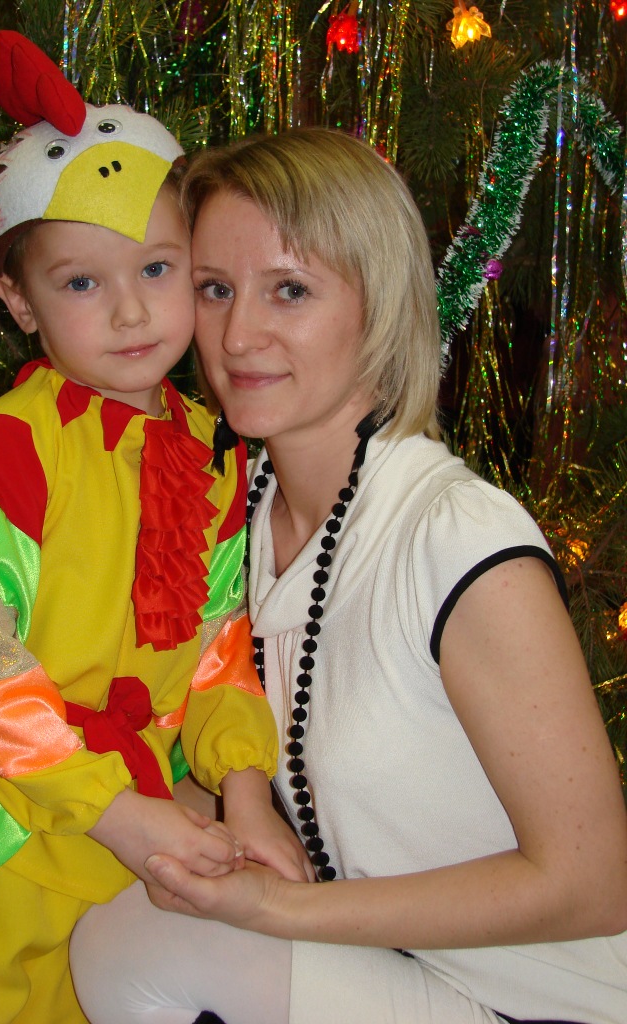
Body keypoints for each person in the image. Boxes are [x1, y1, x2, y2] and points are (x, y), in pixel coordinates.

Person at [69, 128, 627, 1024]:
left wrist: (278, 909)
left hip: (546, 1005)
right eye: (214, 288)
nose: (238, 335)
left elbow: (593, 884)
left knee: (135, 949)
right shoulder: (231, 509)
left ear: (380, 303)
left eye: (290, 289)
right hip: (394, 978)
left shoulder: (454, 538)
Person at [0, 32, 307, 1024]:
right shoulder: (5, 451)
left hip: (111, 828)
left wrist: (243, 788)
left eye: (157, 268)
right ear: (17, 300)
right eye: (80, 284)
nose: (131, 313)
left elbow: (215, 648)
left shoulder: (209, 447)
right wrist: (120, 812)